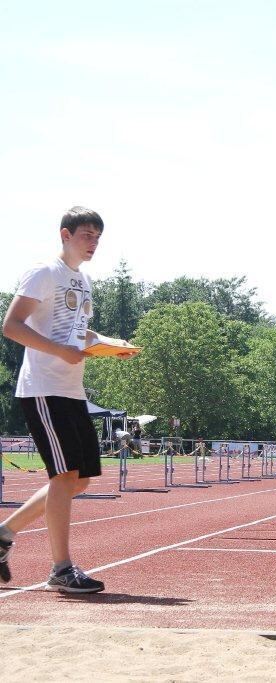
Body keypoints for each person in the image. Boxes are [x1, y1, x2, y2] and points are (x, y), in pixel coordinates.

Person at [0, 206, 138, 592]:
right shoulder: (45, 273)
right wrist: (59, 352)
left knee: (79, 481)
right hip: (44, 388)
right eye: (86, 235)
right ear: (65, 234)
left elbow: (78, 331)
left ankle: (4, 533)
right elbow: (11, 326)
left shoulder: (83, 280)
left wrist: (110, 346)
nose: (93, 242)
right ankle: (61, 569)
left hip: (71, 390)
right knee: (63, 477)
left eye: (97, 237)